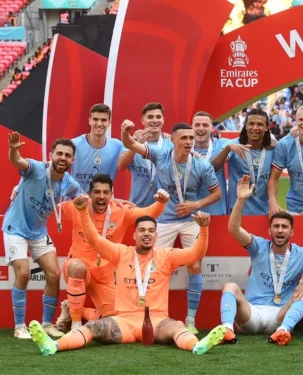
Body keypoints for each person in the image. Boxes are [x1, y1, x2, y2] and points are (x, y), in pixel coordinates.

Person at [28, 198, 225, 355]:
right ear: (134, 235)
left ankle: (197, 346)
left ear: (156, 236)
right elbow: (94, 240)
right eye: (141, 230)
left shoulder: (167, 256)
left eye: (151, 231)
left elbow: (195, 254)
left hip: (156, 320)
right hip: (124, 322)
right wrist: (82, 212)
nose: (146, 234)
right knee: (95, 327)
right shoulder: (121, 253)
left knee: (177, 326)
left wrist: (204, 229)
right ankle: (54, 346)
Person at [121, 120, 221, 334]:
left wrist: (196, 204)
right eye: (184, 138)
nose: (188, 142)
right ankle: (147, 314)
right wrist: (125, 132)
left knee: (194, 265)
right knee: (150, 266)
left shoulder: (202, 165)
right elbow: (130, 145)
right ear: (172, 139)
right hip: (164, 221)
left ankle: (191, 319)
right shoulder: (160, 155)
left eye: (191, 138)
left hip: (189, 221)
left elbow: (217, 193)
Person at [221, 175, 303, 345]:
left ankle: (283, 332)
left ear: (292, 232)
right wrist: (240, 200)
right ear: (270, 231)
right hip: (252, 313)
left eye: (284, 227)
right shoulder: (258, 246)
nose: (280, 230)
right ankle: (227, 330)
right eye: (276, 226)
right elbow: (233, 229)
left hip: (281, 316)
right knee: (230, 286)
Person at [55, 174, 169, 331]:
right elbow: (50, 208)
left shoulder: (120, 211)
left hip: (105, 276)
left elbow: (147, 214)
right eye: (97, 192)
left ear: (111, 194)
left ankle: (75, 310)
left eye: (106, 192)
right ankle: (76, 324)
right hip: (79, 268)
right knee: (77, 267)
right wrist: (22, 191)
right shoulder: (77, 206)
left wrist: (161, 203)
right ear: (89, 194)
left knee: (114, 320)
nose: (101, 196)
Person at [4, 133, 82, 339]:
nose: (63, 158)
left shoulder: (70, 183)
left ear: (72, 159)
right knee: (23, 273)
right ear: (51, 155)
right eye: (59, 153)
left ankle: (47, 323)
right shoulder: (36, 168)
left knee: (54, 274)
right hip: (16, 228)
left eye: (67, 155)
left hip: (38, 232)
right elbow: (17, 161)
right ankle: (20, 326)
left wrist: (114, 203)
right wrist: (13, 149)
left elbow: (83, 199)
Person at [211, 108, 275, 215]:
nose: (255, 128)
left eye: (259, 124)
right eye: (251, 124)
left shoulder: (273, 148)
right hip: (237, 211)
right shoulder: (233, 145)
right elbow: (213, 168)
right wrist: (227, 149)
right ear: (245, 126)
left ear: (266, 127)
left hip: (264, 212)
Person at [118, 102, 173, 207]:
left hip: (164, 208)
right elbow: (121, 166)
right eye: (150, 117)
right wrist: (137, 144)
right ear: (143, 121)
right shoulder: (131, 141)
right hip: (138, 206)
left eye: (158, 117)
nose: (155, 120)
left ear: (163, 120)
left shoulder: (171, 143)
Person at [66, 104, 125, 190]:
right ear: (89, 120)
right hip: (76, 201)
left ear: (109, 123)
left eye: (103, 120)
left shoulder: (118, 146)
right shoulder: (74, 144)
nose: (99, 124)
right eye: (95, 119)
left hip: (102, 202)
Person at [192, 111, 228, 215]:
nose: (201, 128)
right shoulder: (184, 148)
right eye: (197, 125)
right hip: (192, 213)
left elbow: (245, 141)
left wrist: (271, 140)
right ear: (192, 128)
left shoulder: (222, 144)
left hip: (217, 212)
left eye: (205, 125)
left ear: (212, 128)